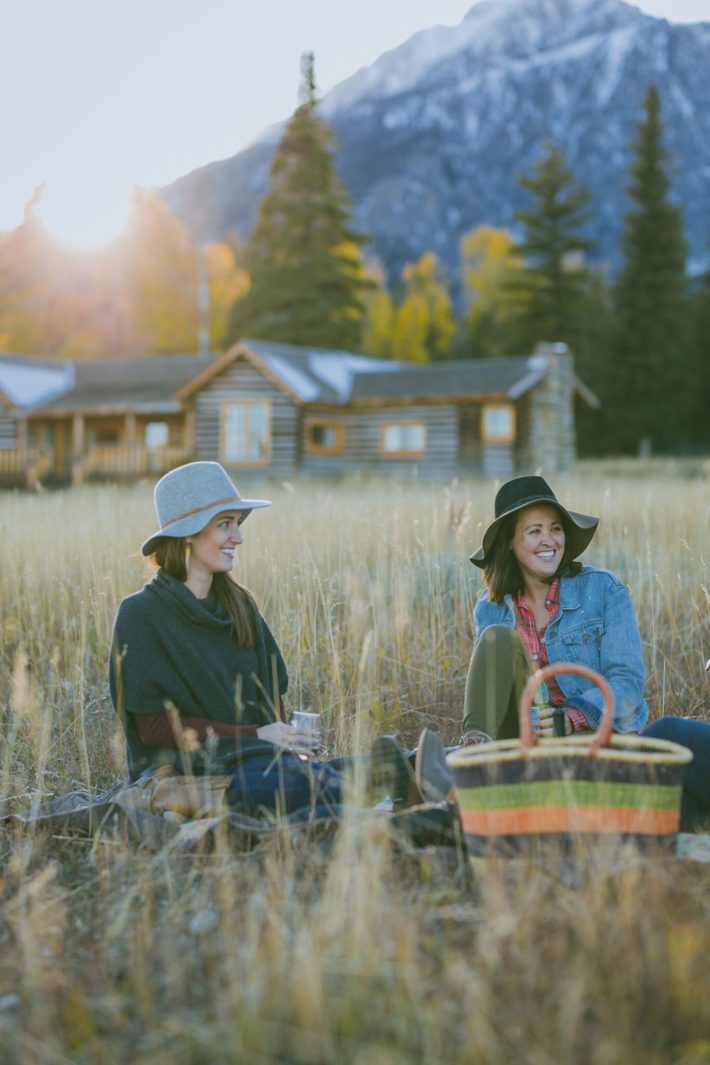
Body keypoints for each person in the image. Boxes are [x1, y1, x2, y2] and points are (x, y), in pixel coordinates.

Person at [415, 475, 709, 833]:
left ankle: (483, 789)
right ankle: (473, 758)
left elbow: (627, 685)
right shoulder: (490, 607)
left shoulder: (603, 590)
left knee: (668, 735)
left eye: (555, 529)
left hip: (589, 740)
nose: (549, 540)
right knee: (495, 639)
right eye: (534, 531)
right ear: (510, 543)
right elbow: (495, 693)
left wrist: (571, 716)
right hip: (523, 740)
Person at [110, 461, 348, 819]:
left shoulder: (240, 604)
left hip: (257, 760)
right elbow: (155, 729)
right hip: (191, 772)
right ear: (188, 534)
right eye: (225, 525)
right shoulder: (141, 614)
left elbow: (273, 698)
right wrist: (258, 734)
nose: (238, 537)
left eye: (237, 523)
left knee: (375, 763)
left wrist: (285, 737)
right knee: (313, 785)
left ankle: (389, 782)